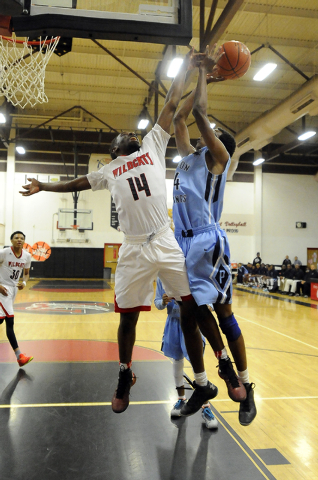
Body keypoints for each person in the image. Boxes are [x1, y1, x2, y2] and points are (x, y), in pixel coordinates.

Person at [20, 49, 219, 415]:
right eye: (122, 135)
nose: (128, 132)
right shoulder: (110, 170)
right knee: (128, 317)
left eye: (129, 132)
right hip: (132, 247)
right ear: (114, 151)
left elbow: (173, 101)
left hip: (163, 236)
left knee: (192, 305)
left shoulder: (152, 145)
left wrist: (188, 69)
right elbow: (78, 182)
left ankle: (218, 370)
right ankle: (125, 374)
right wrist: (45, 188)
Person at [172, 46, 256, 426]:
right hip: (183, 245)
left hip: (208, 243)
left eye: (216, 135)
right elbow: (180, 117)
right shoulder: (189, 156)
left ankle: (245, 384)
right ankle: (208, 379)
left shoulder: (218, 158)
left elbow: (201, 113)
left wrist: (205, 71)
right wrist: (195, 74)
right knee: (187, 315)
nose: (210, 133)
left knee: (223, 314)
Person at [154, 278, 218, 429]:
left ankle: (206, 407)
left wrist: (209, 306)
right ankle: (181, 399)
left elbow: (211, 298)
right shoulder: (162, 277)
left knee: (198, 364)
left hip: (192, 323)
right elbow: (157, 302)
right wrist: (163, 302)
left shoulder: (192, 272)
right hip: (173, 323)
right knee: (177, 361)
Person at [0, 231, 33, 367]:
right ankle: (19, 356)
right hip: (2, 289)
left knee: (5, 321)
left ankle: (20, 356)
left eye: (22, 238)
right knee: (10, 321)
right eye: (16, 238)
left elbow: (26, 274)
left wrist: (24, 283)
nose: (19, 240)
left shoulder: (27, 256)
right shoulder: (4, 252)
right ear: (11, 240)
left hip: (13, 290)